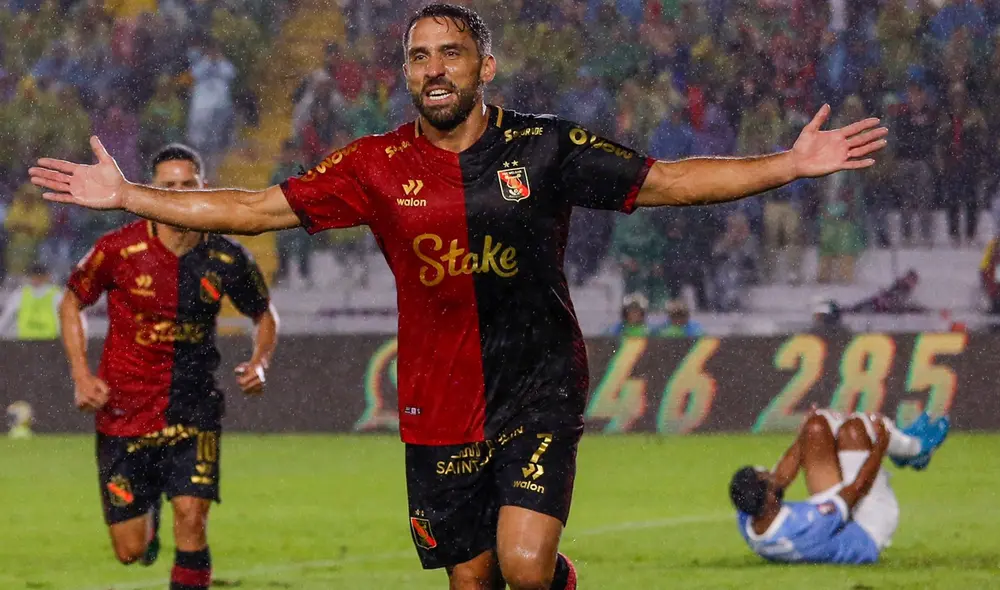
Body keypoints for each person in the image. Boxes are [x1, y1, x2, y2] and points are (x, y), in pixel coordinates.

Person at [29, 4, 887, 588]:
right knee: (472, 578)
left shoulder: (545, 149)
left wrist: (789, 163)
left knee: (521, 564)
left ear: (485, 64)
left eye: (450, 53)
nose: (434, 70)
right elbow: (253, 207)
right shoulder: (374, 165)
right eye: (418, 56)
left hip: (537, 385)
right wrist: (131, 196)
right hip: (437, 405)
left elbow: (671, 181)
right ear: (406, 72)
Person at [56, 144, 279, 590]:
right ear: (150, 191)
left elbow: (264, 315)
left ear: (204, 188)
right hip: (124, 412)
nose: (178, 194)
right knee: (130, 550)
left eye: (187, 185)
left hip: (193, 412)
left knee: (192, 519)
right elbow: (71, 302)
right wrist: (81, 374)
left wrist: (260, 361)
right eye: (168, 186)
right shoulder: (118, 249)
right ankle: (148, 516)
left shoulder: (227, 257)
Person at [729, 409, 949, 565]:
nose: (771, 473)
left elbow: (779, 477)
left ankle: (902, 447)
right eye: (766, 477)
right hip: (867, 527)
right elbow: (858, 488)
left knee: (816, 424)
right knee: (861, 427)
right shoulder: (805, 525)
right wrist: (880, 445)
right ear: (768, 499)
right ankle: (915, 449)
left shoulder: (749, 516)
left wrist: (804, 433)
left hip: (834, 518)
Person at [0, 262, 62, 340]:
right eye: (35, 276)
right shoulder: (20, 294)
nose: (37, 279)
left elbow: (64, 317)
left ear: (46, 277)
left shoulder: (56, 294)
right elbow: (7, 316)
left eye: (40, 276)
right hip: (26, 341)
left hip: (49, 341)